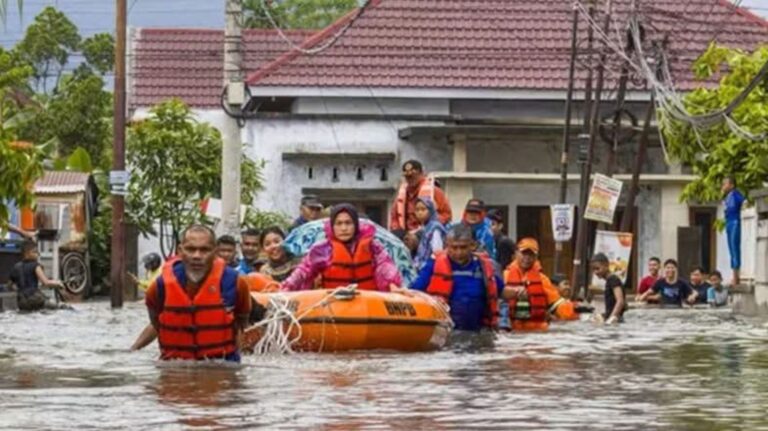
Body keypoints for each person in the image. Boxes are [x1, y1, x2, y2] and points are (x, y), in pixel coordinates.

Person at [143, 224, 251, 362]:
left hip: (222, 364)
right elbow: (156, 323)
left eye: (204, 250)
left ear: (215, 252)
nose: (197, 256)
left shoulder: (236, 283)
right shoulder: (160, 286)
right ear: (180, 251)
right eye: (190, 249)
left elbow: (242, 323)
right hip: (174, 365)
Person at [281, 204, 402, 292]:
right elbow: (303, 271)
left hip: (368, 304)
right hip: (335, 305)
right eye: (339, 223)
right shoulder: (322, 249)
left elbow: (385, 266)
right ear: (332, 226)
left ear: (355, 225)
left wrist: (392, 285)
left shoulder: (373, 246)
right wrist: (287, 286)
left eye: (348, 223)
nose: (344, 228)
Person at [410, 224, 500, 331]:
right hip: (445, 329)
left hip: (479, 330)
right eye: (454, 248)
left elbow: (500, 290)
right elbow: (414, 291)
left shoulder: (483, 266)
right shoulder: (434, 264)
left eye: (463, 247)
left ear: (472, 245)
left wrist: (517, 290)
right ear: (447, 245)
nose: (459, 252)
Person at [502, 238, 577, 331]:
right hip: (511, 332)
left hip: (537, 332)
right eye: (524, 253)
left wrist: (576, 310)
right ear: (516, 253)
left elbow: (558, 305)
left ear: (536, 257)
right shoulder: (504, 276)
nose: (527, 257)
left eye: (531, 254)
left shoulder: (543, 280)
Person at [390, 160, 452, 231]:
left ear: (421, 174)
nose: (411, 179)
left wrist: (431, 225)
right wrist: (396, 228)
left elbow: (446, 214)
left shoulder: (434, 191)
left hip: (427, 231)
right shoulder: (402, 193)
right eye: (408, 177)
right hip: (406, 232)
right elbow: (394, 216)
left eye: (414, 176)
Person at [9, 239, 65, 311]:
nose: (37, 254)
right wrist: (58, 283)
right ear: (27, 253)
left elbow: (10, 285)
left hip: (21, 302)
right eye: (35, 252)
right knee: (58, 307)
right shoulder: (35, 265)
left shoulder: (16, 267)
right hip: (35, 299)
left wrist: (20, 289)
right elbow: (46, 282)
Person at [722, 176, 745, 285]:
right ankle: (734, 274)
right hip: (729, 222)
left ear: (731, 185)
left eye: (725, 184)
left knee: (735, 248)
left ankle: (737, 276)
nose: (723, 186)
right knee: (731, 249)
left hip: (735, 221)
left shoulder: (736, 195)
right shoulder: (727, 197)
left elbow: (744, 203)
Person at [591, 253, 626, 324]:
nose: (595, 272)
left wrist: (611, 319)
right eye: (593, 269)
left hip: (616, 321)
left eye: (597, 268)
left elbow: (620, 301)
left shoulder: (613, 279)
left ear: (606, 265)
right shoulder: (610, 280)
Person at [413, 198, 446, 270]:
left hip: (430, 267)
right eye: (417, 210)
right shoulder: (424, 228)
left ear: (431, 210)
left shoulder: (435, 228)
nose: (420, 213)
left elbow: (437, 252)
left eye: (423, 209)